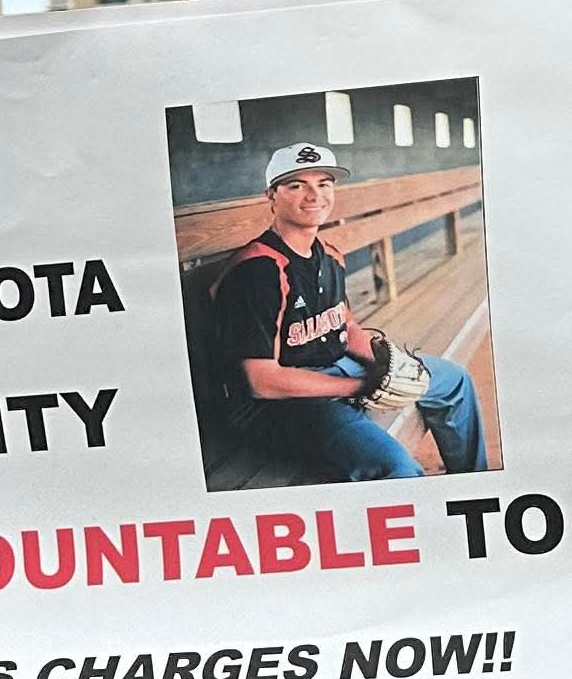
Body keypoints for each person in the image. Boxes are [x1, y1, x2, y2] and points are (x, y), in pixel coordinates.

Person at [208, 141, 491, 482]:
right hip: (284, 405)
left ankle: (471, 485)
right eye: (296, 185)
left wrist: (383, 360)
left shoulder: (329, 255)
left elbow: (347, 326)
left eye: (323, 184)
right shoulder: (256, 272)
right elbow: (262, 382)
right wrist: (360, 386)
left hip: (338, 369)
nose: (314, 196)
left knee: (453, 380)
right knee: (397, 470)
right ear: (271, 196)